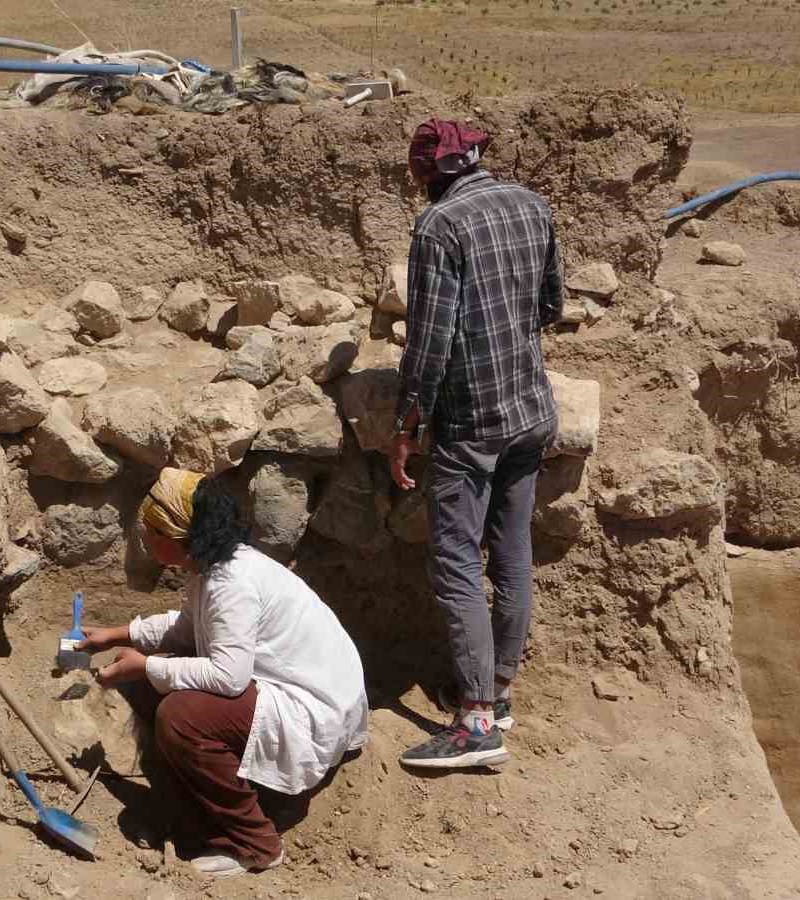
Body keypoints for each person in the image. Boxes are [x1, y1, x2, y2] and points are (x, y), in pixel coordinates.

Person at [77, 467, 369, 877]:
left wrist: (147, 665)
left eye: (153, 531)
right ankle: (195, 806)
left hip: (314, 705)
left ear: (178, 536)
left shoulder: (231, 582)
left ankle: (257, 843)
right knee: (161, 676)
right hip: (308, 685)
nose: (145, 539)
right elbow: (187, 626)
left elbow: (229, 677)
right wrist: (117, 635)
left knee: (181, 717)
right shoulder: (213, 566)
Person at [388, 118, 563, 770]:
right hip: (532, 410)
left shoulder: (441, 228)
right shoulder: (532, 205)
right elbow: (550, 306)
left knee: (457, 563)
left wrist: (406, 428)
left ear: (430, 174)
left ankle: (476, 723)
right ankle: (501, 688)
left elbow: (428, 344)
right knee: (512, 548)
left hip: (473, 425)